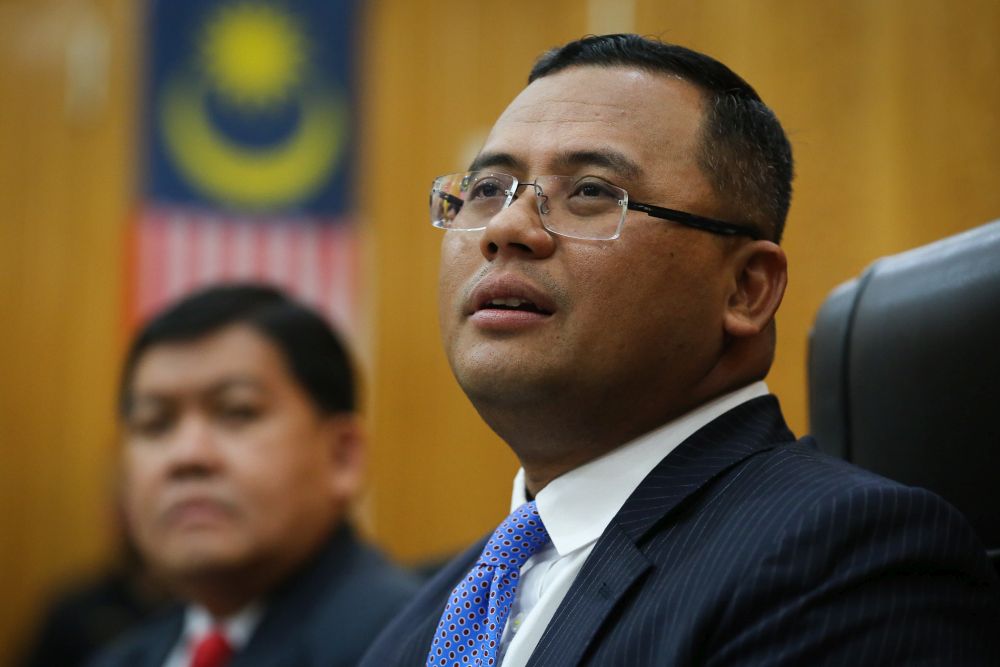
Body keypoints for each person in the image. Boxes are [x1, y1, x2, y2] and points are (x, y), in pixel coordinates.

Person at [360, 34, 1000, 666]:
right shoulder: (427, 621)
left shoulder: (848, 561)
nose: (505, 229)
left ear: (745, 290)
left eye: (590, 191)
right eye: (486, 189)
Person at [90, 284, 419, 667]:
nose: (188, 456)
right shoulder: (122, 658)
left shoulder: (406, 647)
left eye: (237, 412)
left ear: (342, 457)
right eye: (155, 423)